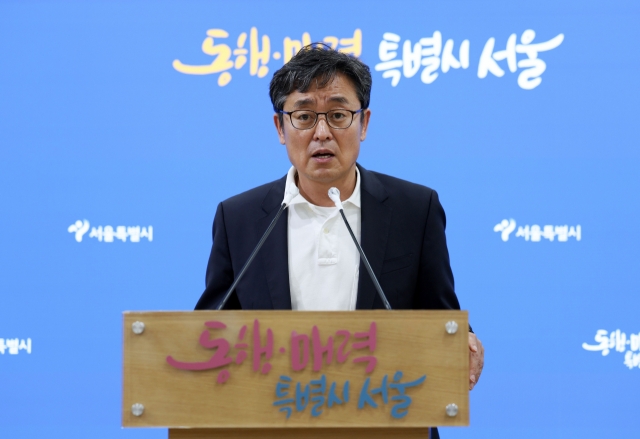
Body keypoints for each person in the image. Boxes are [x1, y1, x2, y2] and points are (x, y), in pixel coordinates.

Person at [195, 44, 484, 436]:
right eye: (304, 116)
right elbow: (211, 335)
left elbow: (439, 315)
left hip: (390, 426)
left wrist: (462, 342)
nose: (321, 132)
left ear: (363, 123)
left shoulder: (415, 209)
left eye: (337, 114)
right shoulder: (240, 218)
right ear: (280, 128)